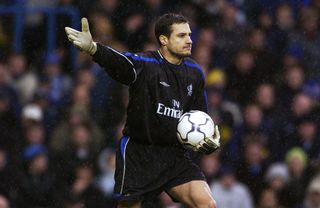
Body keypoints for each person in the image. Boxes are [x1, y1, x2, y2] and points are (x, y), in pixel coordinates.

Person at [65, 13, 220, 208]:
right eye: (181, 36)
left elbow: (200, 116)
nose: (189, 40)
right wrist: (94, 49)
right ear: (163, 40)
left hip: (174, 155)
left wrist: (208, 140)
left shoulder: (195, 73)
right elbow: (121, 62)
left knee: (207, 204)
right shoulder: (146, 65)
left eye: (189, 35)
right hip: (140, 155)